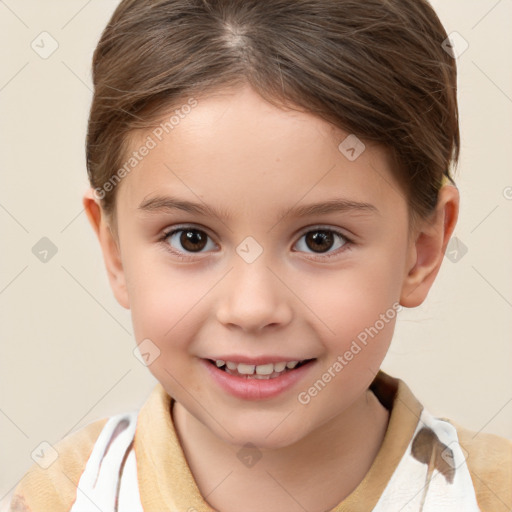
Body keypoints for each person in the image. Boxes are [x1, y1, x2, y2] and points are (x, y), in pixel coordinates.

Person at [9, 0, 511, 511]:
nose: (251, 308)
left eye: (320, 240)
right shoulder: (62, 497)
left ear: (421, 251)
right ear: (114, 251)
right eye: (191, 239)